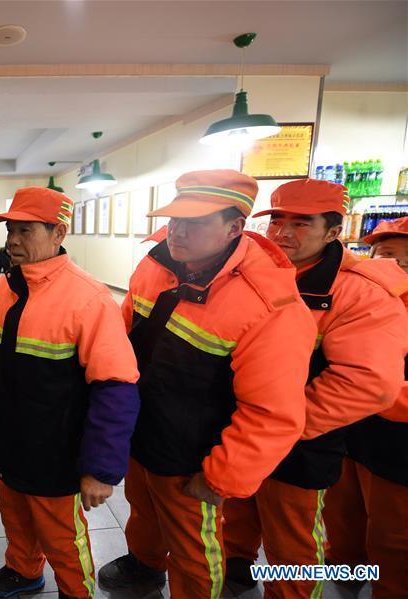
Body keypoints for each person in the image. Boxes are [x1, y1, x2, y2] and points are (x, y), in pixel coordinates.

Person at [0, 187, 140, 599]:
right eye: (10, 230)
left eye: (25, 230)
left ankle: (77, 593)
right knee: (16, 517)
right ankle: (23, 571)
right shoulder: (9, 285)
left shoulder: (88, 299)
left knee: (63, 538)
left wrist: (102, 468)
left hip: (57, 451)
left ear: (58, 233)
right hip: (11, 437)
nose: (13, 240)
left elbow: (116, 387)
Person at [96, 170, 317, 598]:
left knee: (193, 551)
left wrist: (220, 478)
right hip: (141, 431)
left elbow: (273, 413)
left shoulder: (268, 304)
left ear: (235, 227)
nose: (178, 231)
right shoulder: (157, 263)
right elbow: (124, 337)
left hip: (193, 457)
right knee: (144, 510)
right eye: (175, 218)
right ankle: (144, 565)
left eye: (195, 221)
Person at [220, 179, 408, 598]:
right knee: (238, 513)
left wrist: (277, 427)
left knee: (291, 538)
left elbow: (367, 383)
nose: (283, 233)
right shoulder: (256, 273)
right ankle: (236, 571)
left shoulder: (358, 292)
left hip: (301, 440)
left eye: (301, 223)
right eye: (277, 221)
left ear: (333, 231)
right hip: (242, 428)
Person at [322, 215, 408, 599]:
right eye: (385, 254)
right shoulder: (358, 298)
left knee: (393, 536)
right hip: (350, 431)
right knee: (342, 515)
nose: (395, 265)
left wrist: (370, 391)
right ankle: (345, 569)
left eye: (405, 258)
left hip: (398, 443)